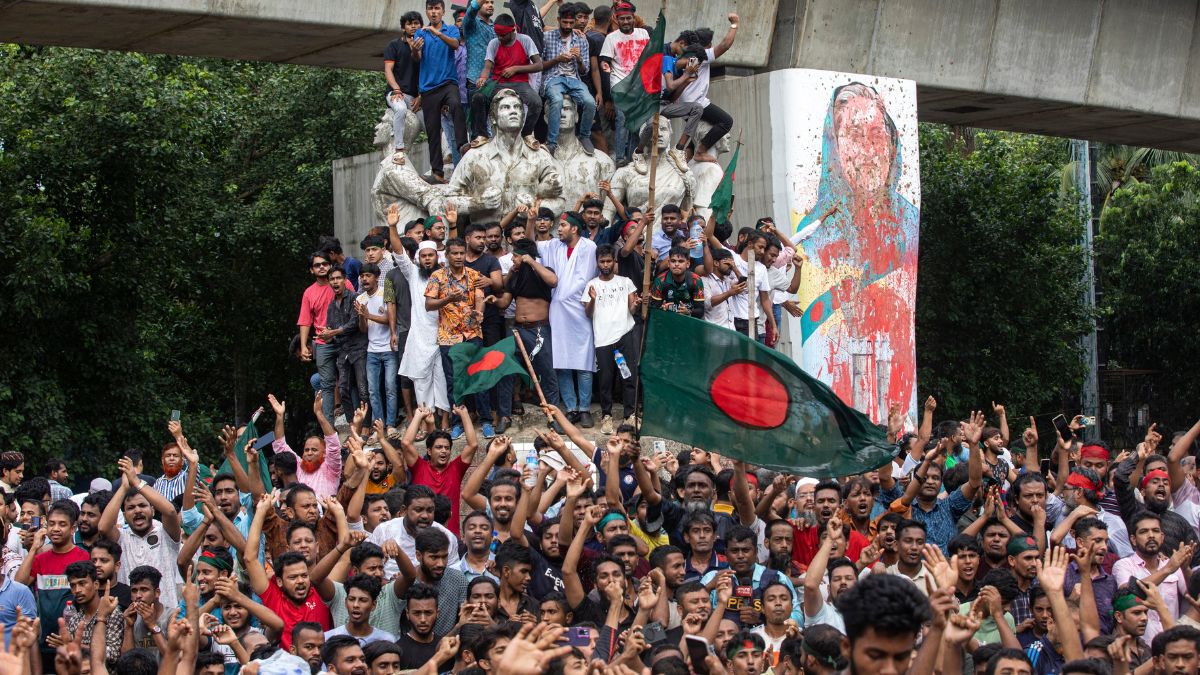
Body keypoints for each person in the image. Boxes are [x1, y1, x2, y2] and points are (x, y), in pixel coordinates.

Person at [424, 237, 489, 440]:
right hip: (449, 337)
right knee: (454, 381)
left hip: (472, 334)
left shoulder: (473, 274)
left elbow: (479, 297)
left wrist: (479, 312)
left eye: (462, 253)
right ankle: (457, 423)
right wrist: (448, 299)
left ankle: (486, 421)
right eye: (455, 253)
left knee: (479, 377)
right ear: (448, 255)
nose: (459, 257)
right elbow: (429, 304)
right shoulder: (437, 276)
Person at [539, 212, 598, 428]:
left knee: (584, 362)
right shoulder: (554, 246)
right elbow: (532, 245)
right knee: (562, 362)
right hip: (558, 310)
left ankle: (584, 408)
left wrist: (563, 294)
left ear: (574, 228)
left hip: (581, 309)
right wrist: (529, 221)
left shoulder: (588, 247)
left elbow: (584, 278)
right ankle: (571, 408)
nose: (558, 229)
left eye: (562, 225)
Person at [584, 244, 640, 434]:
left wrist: (636, 304)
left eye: (609, 261)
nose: (606, 264)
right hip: (603, 339)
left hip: (625, 334)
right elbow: (588, 314)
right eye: (602, 261)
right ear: (597, 262)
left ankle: (630, 415)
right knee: (605, 380)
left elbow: (631, 310)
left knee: (628, 376)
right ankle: (606, 417)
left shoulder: (625, 282)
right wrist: (592, 299)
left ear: (614, 261)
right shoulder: (592, 285)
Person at [416, 0, 467, 182]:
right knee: (432, 130)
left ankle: (462, 145)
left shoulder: (451, 29)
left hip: (448, 82)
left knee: (455, 104)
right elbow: (417, 57)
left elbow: (455, 45)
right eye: (431, 9)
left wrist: (437, 33)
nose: (434, 12)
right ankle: (437, 172)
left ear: (443, 11)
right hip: (429, 87)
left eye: (437, 8)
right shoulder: (420, 33)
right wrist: (415, 50)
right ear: (427, 12)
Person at [473, 14, 543, 140]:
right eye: (497, 35)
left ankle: (526, 134)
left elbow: (539, 65)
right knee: (478, 97)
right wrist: (482, 78)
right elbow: (487, 66)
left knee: (536, 102)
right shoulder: (494, 43)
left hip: (520, 83)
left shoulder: (525, 40)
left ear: (512, 30)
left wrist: (516, 68)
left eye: (503, 35)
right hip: (498, 83)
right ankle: (482, 135)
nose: (500, 38)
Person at [598, 1, 649, 165]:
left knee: (636, 123)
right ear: (616, 19)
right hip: (620, 84)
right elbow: (604, 63)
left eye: (628, 18)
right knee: (622, 119)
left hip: (640, 86)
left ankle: (632, 155)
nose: (625, 22)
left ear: (633, 17)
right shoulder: (611, 38)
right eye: (622, 19)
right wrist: (609, 96)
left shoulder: (643, 34)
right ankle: (620, 157)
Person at [541, 6, 595, 155]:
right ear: (558, 20)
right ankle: (551, 142)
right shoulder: (547, 37)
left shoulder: (581, 40)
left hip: (574, 79)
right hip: (553, 77)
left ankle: (584, 136)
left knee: (590, 102)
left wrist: (578, 60)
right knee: (557, 100)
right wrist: (557, 59)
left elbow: (585, 71)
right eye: (565, 22)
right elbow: (539, 65)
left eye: (571, 23)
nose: (568, 26)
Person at [357, 261, 400, 435]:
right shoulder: (360, 298)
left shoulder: (385, 293)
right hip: (372, 350)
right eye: (362, 276)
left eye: (368, 276)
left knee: (390, 387)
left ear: (376, 278)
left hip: (389, 347)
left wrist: (369, 315)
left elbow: (391, 319)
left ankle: (390, 425)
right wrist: (362, 317)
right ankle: (378, 427)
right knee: (373, 390)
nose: (364, 279)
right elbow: (363, 329)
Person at [298, 252, 341, 420]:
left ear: (330, 265)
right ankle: (329, 428)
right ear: (311, 270)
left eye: (325, 263)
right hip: (323, 342)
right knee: (327, 384)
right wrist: (303, 346)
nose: (322, 267)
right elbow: (305, 321)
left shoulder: (341, 283)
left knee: (348, 381)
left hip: (345, 338)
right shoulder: (309, 293)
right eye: (317, 265)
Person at [323, 265, 369, 422]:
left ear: (345, 280)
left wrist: (333, 332)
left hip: (358, 349)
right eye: (332, 279)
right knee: (343, 390)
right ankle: (352, 424)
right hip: (342, 351)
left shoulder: (355, 298)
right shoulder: (331, 305)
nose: (335, 282)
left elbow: (355, 323)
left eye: (338, 278)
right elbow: (330, 328)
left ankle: (367, 425)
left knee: (363, 389)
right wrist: (326, 334)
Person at [383, 12, 424, 163]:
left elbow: (427, 73)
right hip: (395, 93)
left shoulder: (425, 46)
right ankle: (399, 150)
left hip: (415, 98)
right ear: (403, 27)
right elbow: (388, 70)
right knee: (400, 109)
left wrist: (421, 96)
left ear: (421, 25)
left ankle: (443, 162)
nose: (413, 26)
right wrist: (396, 89)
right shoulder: (394, 45)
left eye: (416, 23)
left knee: (432, 124)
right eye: (409, 24)